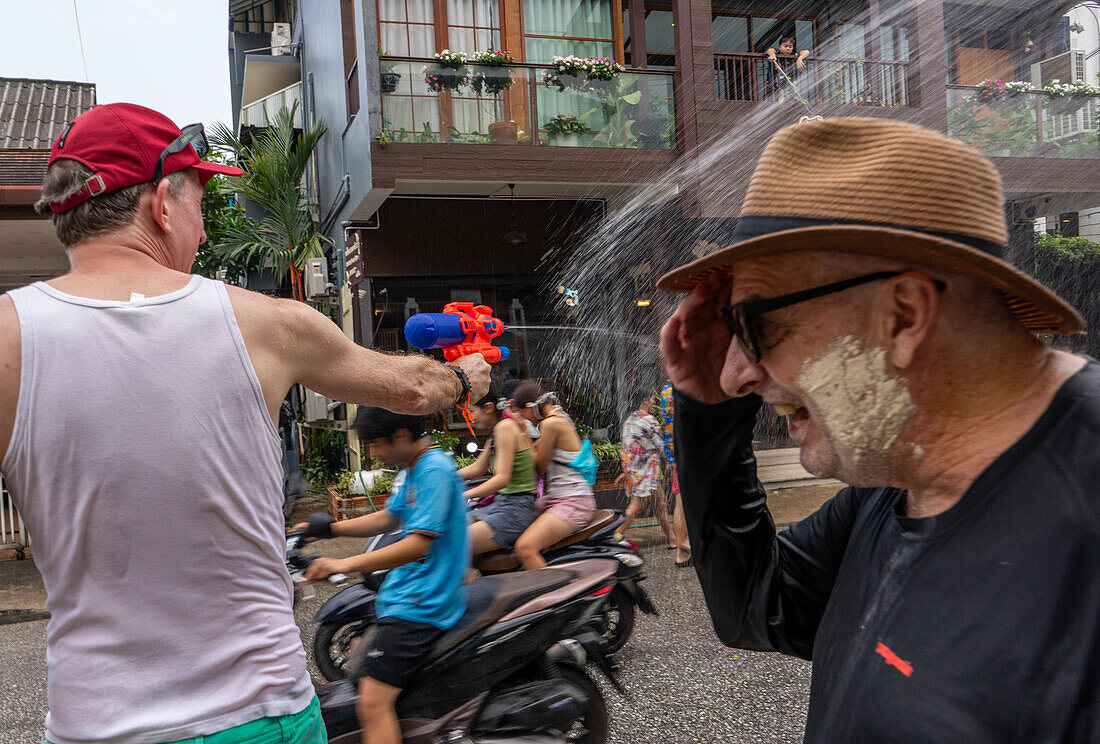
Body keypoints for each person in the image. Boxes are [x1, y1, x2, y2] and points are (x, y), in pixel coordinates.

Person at [0, 103, 489, 744]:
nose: (202, 232)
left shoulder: (10, 338)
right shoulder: (266, 323)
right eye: (199, 202)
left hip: (93, 724)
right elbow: (412, 389)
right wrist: (464, 377)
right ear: (161, 204)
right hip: (258, 715)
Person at [658, 117, 1099, 742]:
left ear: (904, 314)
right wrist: (706, 415)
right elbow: (758, 608)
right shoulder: (894, 481)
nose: (735, 376)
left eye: (755, 326)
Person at [299, 407, 468, 744]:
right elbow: (389, 518)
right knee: (362, 657)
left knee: (373, 705)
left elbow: (418, 544)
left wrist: (341, 564)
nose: (374, 454)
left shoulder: (433, 470)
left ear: (402, 436)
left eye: (376, 445)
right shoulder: (413, 468)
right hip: (408, 592)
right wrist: (327, 529)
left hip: (422, 603)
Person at [511, 382, 597, 570]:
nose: (524, 418)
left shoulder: (551, 423)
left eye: (522, 413)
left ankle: (551, 597)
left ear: (530, 407)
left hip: (574, 501)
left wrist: (523, 434)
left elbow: (540, 466)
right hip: (560, 498)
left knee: (525, 548)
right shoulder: (558, 417)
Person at [459, 390, 538, 556]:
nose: (470, 419)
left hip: (515, 510)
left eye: (471, 411)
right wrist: (445, 476)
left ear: (488, 407)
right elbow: (479, 467)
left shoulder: (505, 427)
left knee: (452, 544)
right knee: (449, 528)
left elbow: (502, 479)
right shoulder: (499, 428)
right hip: (503, 504)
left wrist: (463, 495)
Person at [614, 390, 674, 542]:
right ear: (645, 400)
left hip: (637, 472)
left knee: (661, 504)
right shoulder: (648, 420)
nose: (654, 403)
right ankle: (615, 536)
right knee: (635, 508)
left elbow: (626, 448)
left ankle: (672, 539)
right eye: (653, 400)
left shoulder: (629, 420)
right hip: (646, 473)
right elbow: (662, 445)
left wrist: (626, 471)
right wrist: (674, 461)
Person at [656, 380, 692, 567]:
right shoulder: (681, 389)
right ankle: (684, 545)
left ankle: (682, 552)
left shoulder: (665, 390)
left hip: (673, 450)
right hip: (685, 450)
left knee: (681, 499)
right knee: (682, 501)